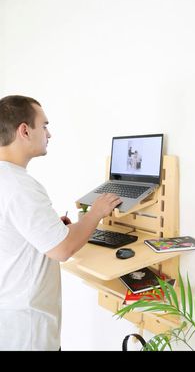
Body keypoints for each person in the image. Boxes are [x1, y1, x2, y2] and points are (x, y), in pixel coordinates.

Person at [0, 94, 122, 351]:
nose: (49, 134)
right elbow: (62, 250)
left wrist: (51, 228)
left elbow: (11, 231)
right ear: (24, 130)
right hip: (28, 329)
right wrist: (97, 211)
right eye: (44, 125)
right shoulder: (20, 186)